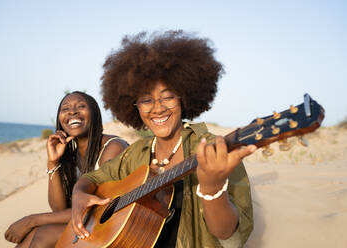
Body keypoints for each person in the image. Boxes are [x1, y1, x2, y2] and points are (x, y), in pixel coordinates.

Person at [70, 30, 256, 248]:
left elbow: (228, 236)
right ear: (134, 106)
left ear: (185, 97)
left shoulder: (215, 149)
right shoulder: (136, 152)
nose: (157, 109)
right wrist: (78, 194)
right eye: (146, 100)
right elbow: (94, 177)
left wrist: (212, 188)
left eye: (168, 97)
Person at [4, 91, 128, 248]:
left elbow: (100, 206)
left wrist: (32, 219)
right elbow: (59, 209)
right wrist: (53, 162)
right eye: (65, 109)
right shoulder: (73, 153)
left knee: (43, 233)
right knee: (34, 233)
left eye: (81, 106)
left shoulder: (113, 147)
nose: (72, 111)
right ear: (60, 120)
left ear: (95, 114)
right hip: (89, 223)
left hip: (114, 225)